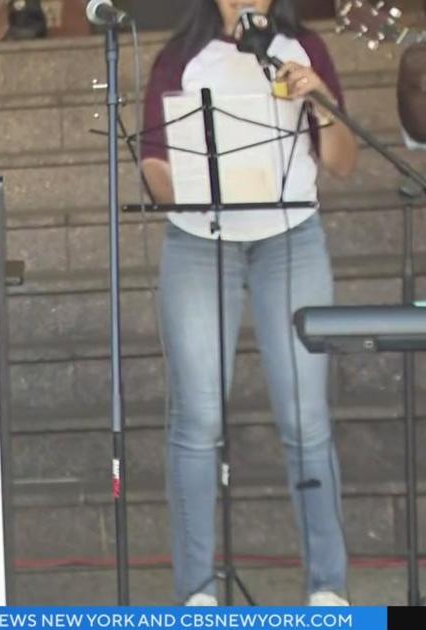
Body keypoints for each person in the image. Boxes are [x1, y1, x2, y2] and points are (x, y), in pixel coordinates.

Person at [139, 0, 358, 607]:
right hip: (198, 242)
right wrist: (183, 195)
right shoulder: (180, 58)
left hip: (292, 241)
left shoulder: (303, 49)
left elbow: (342, 163)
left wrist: (318, 100)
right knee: (198, 420)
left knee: (305, 418)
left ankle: (327, 586)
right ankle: (197, 592)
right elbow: (153, 160)